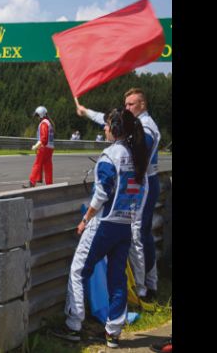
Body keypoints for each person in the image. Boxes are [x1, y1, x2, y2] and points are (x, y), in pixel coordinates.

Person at [52, 107, 149, 348]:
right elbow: (141, 193)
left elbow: (101, 195)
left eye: (107, 125)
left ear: (115, 129)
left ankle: (73, 325)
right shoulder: (136, 156)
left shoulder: (110, 155)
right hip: (125, 225)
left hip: (103, 225)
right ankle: (113, 333)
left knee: (77, 270)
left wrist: (85, 219)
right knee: (116, 278)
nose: (104, 128)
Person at [77, 88, 162, 302]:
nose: (127, 108)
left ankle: (145, 289)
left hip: (142, 183)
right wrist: (86, 111)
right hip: (138, 181)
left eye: (131, 104)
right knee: (138, 235)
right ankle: (147, 284)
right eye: (126, 105)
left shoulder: (147, 128)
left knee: (138, 236)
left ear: (142, 104)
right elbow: (108, 120)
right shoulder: (133, 123)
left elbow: (138, 155)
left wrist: (119, 157)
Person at [24, 106, 55, 188]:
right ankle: (49, 184)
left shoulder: (44, 123)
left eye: (37, 116)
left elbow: (44, 138)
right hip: (50, 148)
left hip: (43, 148)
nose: (37, 118)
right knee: (48, 167)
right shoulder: (49, 123)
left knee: (37, 164)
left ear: (41, 115)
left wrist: (35, 146)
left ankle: (31, 182)